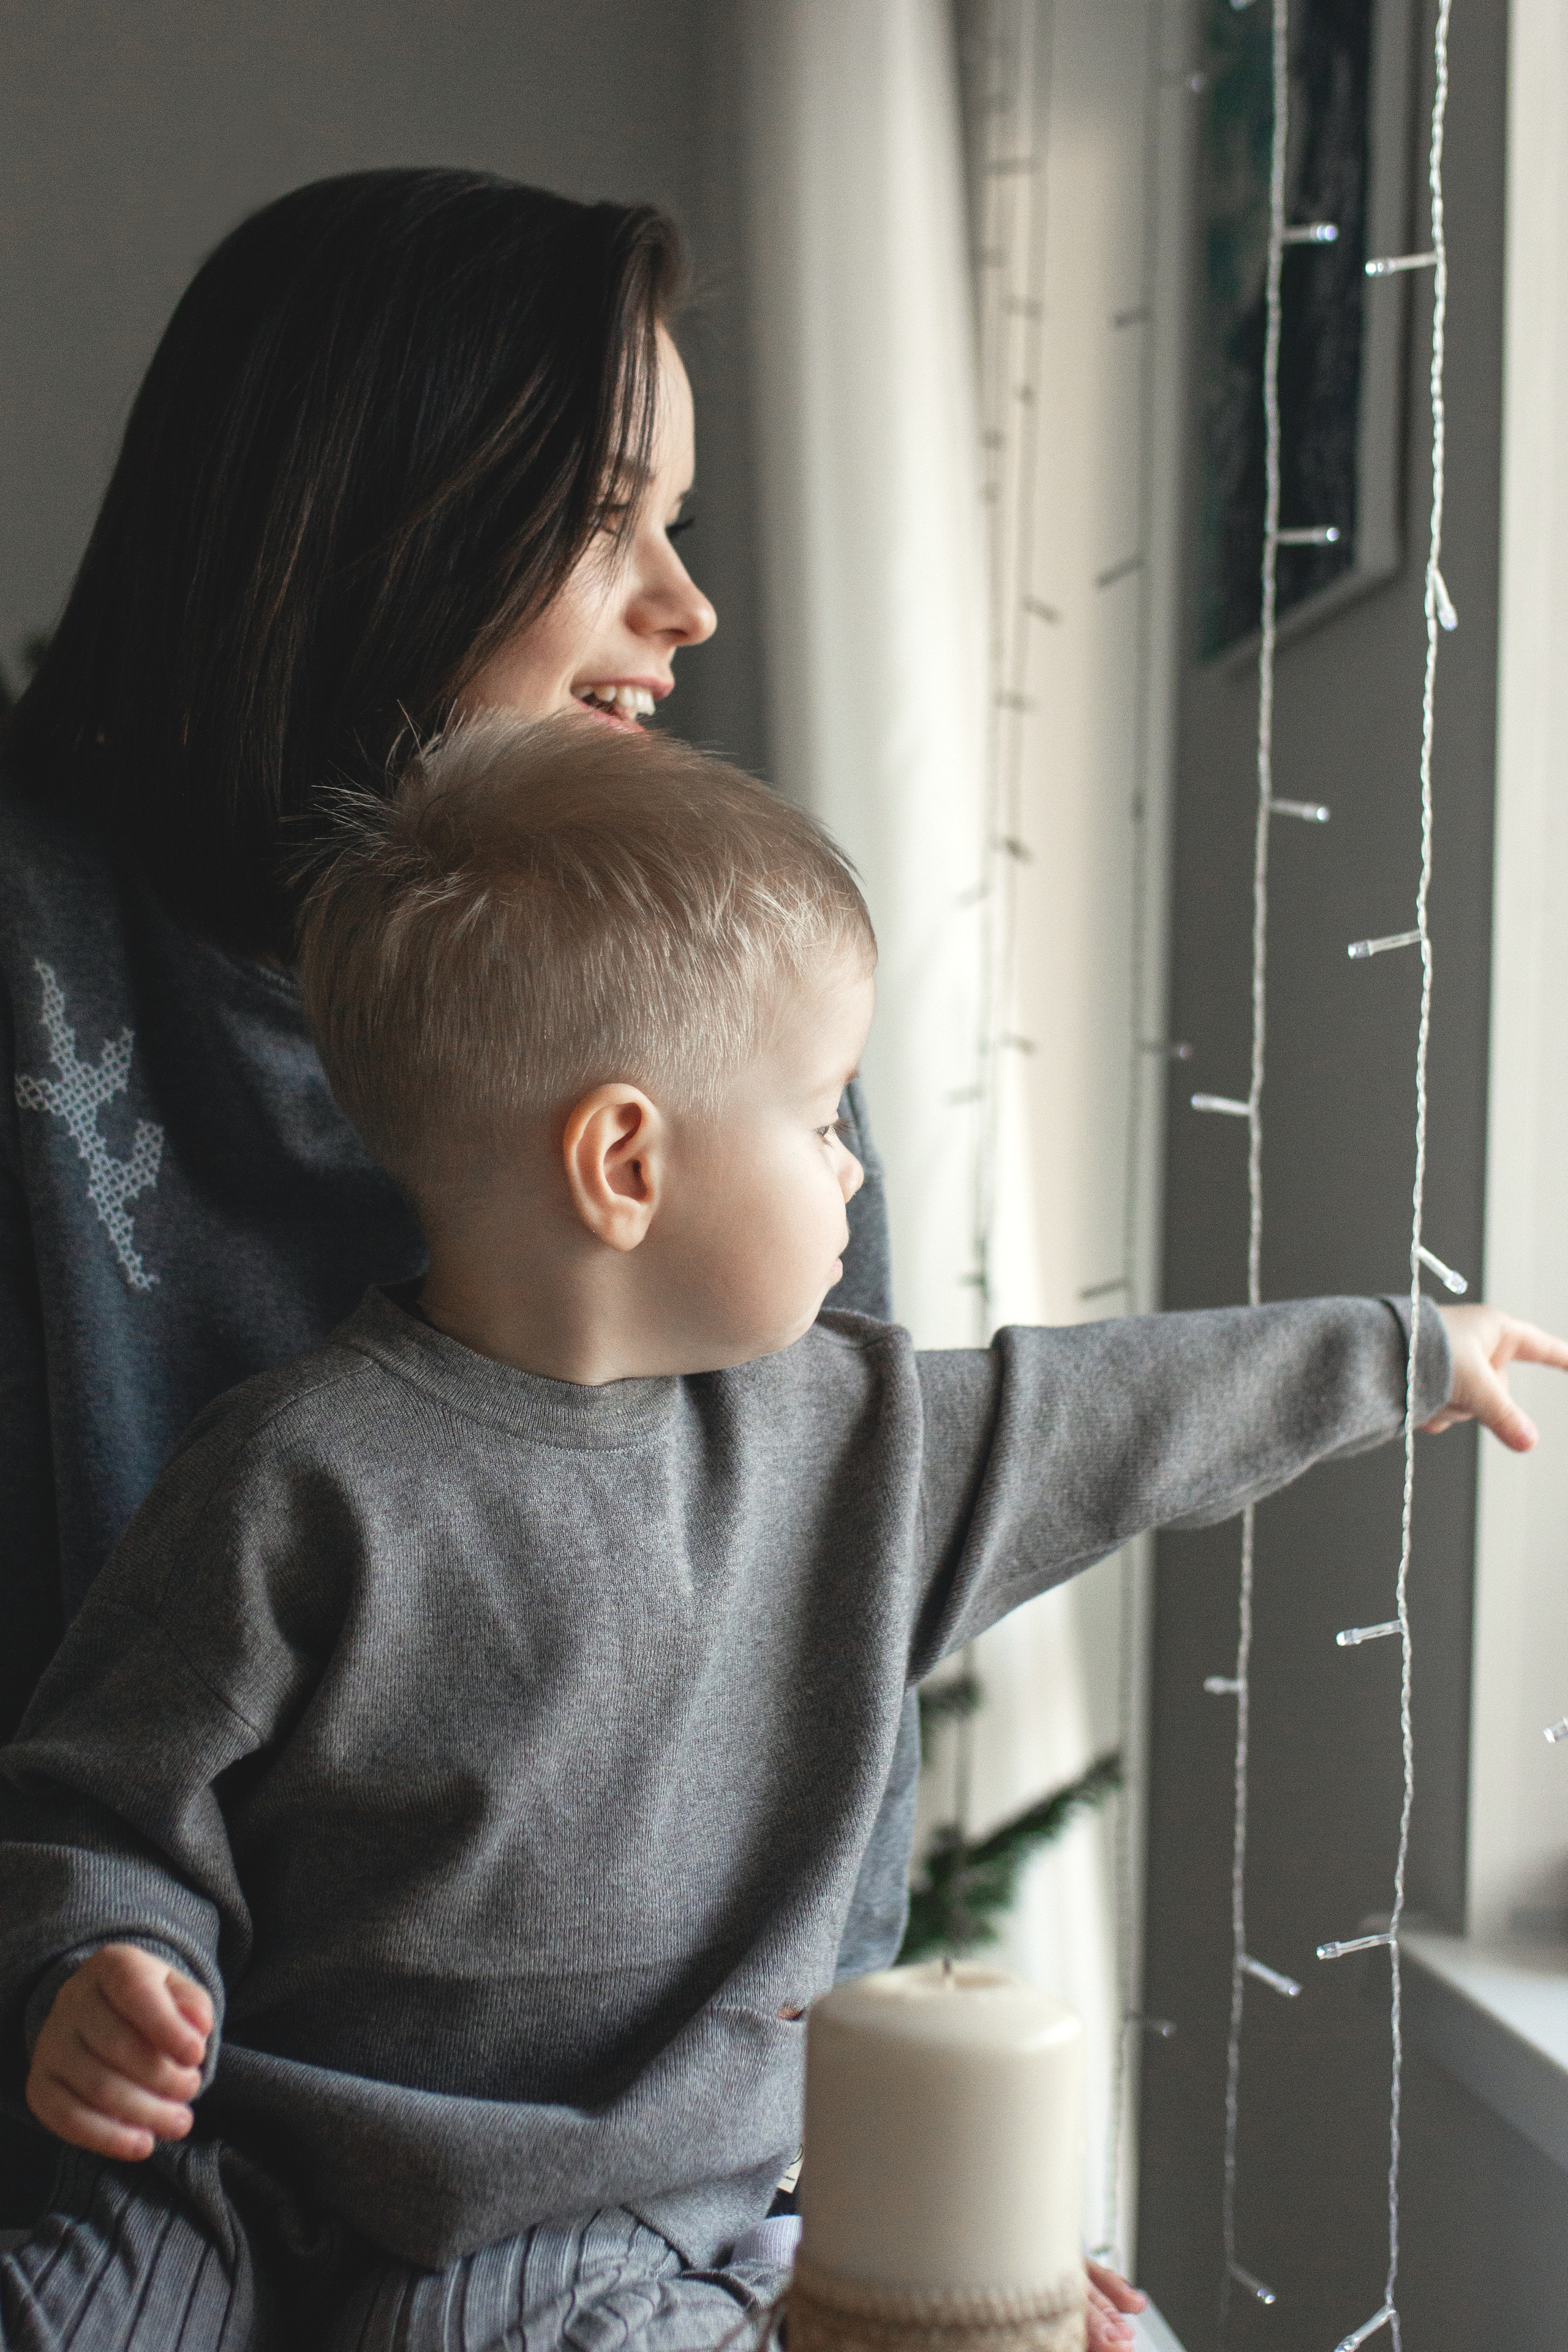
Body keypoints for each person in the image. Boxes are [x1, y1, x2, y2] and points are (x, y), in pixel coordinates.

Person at [2, 715, 1561, 2352]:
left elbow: (1126, 1411)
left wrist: (1402, 1357)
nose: (850, 1172)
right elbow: (98, 1797)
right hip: (236, 2184)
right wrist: (102, 1961)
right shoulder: (294, 1481)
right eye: (821, 1116)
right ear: (624, 1162)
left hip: (613, 2221)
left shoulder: (855, 1445)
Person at [0, 167, 915, 2222]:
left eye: (677, 521)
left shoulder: (734, 995)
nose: (688, 606)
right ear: (372, 515)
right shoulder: (35, 950)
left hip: (632, 2209)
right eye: (609, 519)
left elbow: (832, 1623)